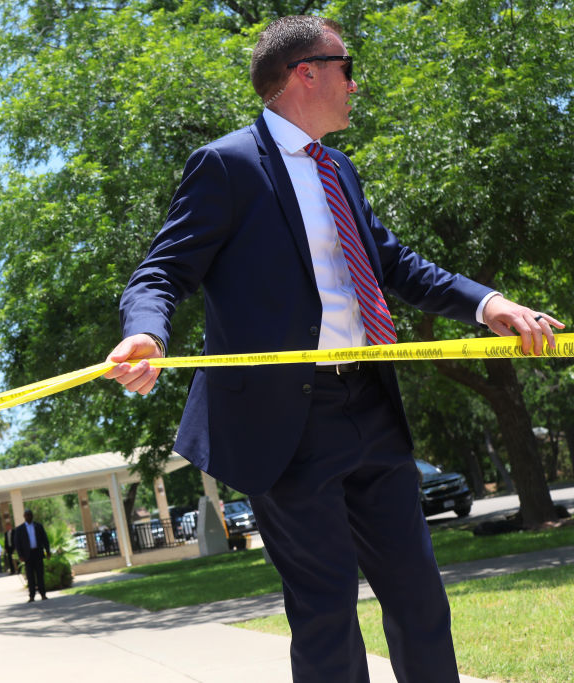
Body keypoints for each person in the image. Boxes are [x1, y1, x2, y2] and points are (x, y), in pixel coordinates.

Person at [105, 16, 561, 683]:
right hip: (286, 424)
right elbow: (162, 271)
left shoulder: (339, 168)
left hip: (371, 407)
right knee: (326, 614)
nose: (356, 83)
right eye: (348, 67)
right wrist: (147, 330)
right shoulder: (227, 166)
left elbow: (393, 264)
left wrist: (487, 303)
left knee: (419, 596)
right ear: (306, 72)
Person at [14, 509, 51, 602]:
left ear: (32, 516)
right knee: (30, 577)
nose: (28, 517)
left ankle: (43, 594)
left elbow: (45, 539)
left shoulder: (38, 526)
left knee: (40, 575)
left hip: (38, 553)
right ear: (24, 516)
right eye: (26, 515)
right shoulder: (20, 529)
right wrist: (20, 555)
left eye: (30, 515)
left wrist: (48, 551)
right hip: (27, 556)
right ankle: (32, 596)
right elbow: (18, 544)